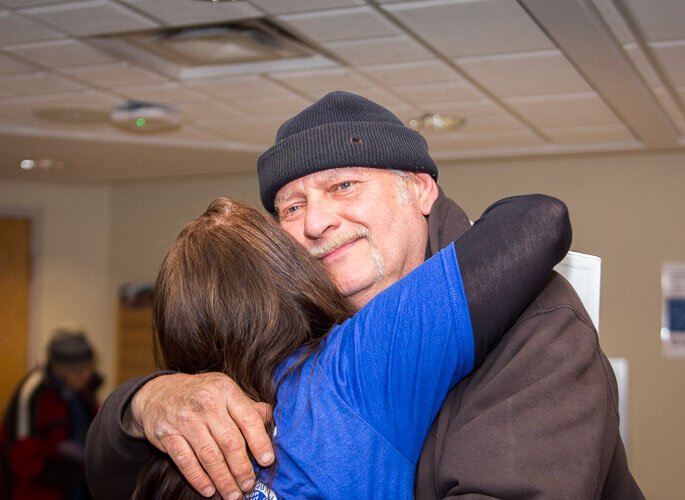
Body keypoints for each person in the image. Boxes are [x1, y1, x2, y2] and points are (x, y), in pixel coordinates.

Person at [86, 91, 643, 499]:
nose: (317, 222)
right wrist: (147, 402)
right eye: (292, 207)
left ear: (420, 190)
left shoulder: (537, 326)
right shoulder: (289, 334)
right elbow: (112, 476)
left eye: (343, 186)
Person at [129, 194, 568, 498]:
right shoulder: (350, 369)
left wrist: (144, 398)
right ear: (291, 278)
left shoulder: (167, 448)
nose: (315, 225)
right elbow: (539, 219)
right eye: (293, 210)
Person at [1, 327, 101, 500]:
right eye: (79, 370)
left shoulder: (84, 391)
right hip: (40, 493)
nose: (88, 375)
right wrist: (71, 470)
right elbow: (24, 460)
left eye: (89, 367)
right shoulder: (32, 394)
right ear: (59, 369)